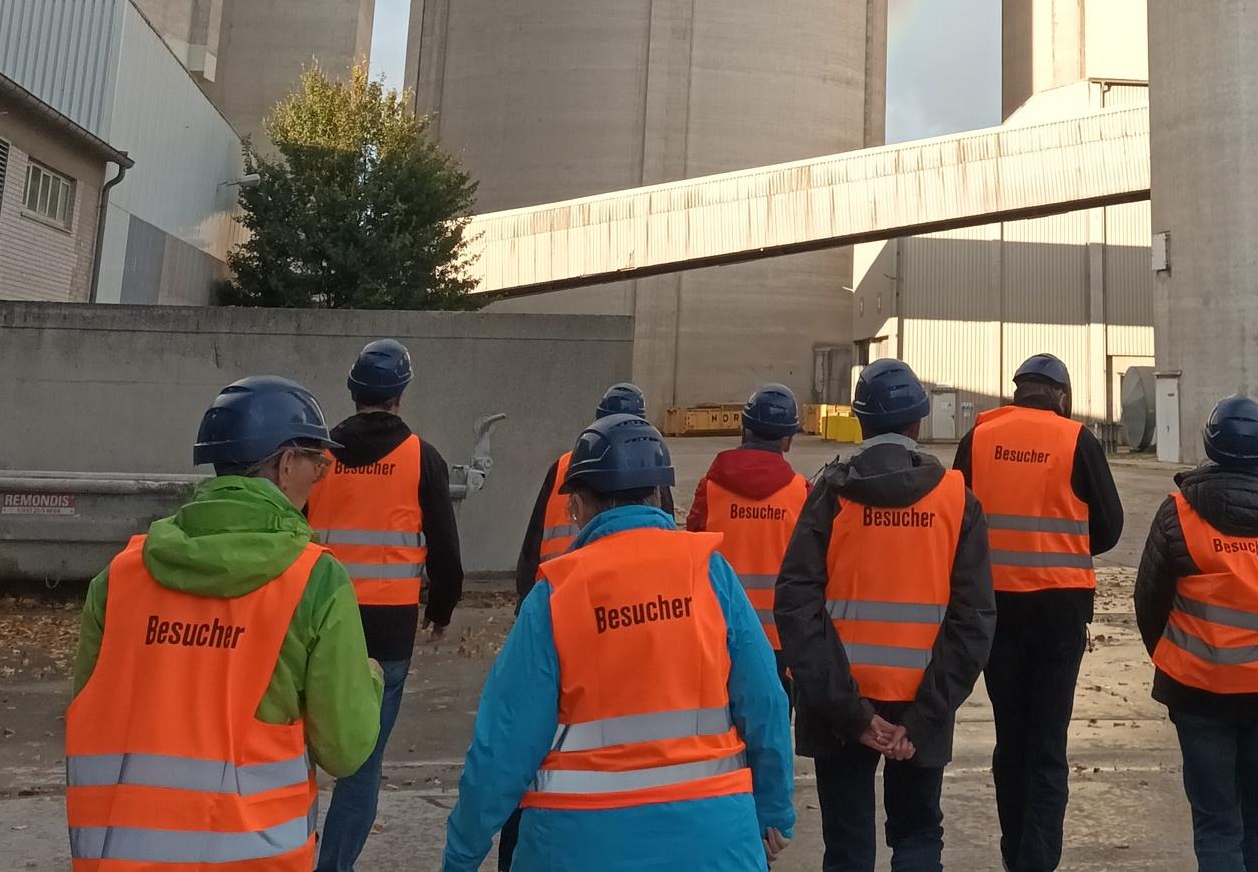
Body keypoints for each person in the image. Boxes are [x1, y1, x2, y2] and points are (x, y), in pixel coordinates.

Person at [441, 413, 796, 872]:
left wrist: (462, 854)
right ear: (659, 495)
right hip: (714, 843)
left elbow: (502, 747)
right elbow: (765, 703)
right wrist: (774, 810)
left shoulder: (557, 594)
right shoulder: (709, 573)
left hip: (577, 847)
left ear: (579, 506)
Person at [67, 376, 383, 872]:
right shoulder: (316, 581)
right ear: (286, 464)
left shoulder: (120, 578)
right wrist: (370, 681)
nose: (319, 478)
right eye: (318, 464)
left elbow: (93, 708)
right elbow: (345, 750)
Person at [776, 358, 995, 872]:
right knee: (918, 835)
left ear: (860, 421)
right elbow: (974, 619)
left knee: (847, 847)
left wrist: (852, 715)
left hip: (838, 705)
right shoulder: (956, 500)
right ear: (918, 421)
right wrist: (921, 718)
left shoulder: (831, 492)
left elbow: (796, 603)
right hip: (923, 701)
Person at [954, 352, 1123, 872]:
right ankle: (1037, 861)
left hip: (995, 610)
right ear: (1061, 396)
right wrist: (1063, 543)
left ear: (1018, 391)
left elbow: (955, 521)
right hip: (1059, 611)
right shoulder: (1076, 441)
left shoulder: (979, 439)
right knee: (1048, 744)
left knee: (1012, 739)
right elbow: (1110, 526)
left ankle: (1014, 852)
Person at [1134, 396, 1258, 872]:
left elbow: (1149, 600)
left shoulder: (1177, 513)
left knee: (1216, 822)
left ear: (1210, 444)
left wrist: (1174, 658)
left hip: (1197, 691)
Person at [499, 381, 671, 871]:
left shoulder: (564, 466)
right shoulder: (651, 478)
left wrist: (527, 605)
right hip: (621, 616)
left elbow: (533, 543)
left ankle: (515, 848)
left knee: (539, 741)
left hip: (560, 609)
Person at [306, 339, 463, 872]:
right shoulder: (422, 458)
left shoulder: (317, 457)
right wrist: (440, 611)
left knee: (295, 749)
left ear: (353, 390)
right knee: (363, 762)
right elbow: (445, 550)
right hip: (387, 633)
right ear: (401, 393)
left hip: (315, 620)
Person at [687, 382, 809, 668]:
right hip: (780, 636)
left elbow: (691, 552)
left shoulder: (710, 489)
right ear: (787, 441)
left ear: (744, 430)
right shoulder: (801, 493)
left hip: (720, 629)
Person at [514, 383, 667, 595]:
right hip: (633, 592)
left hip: (559, 588)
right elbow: (666, 534)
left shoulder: (565, 466)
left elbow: (534, 539)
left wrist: (526, 594)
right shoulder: (654, 472)